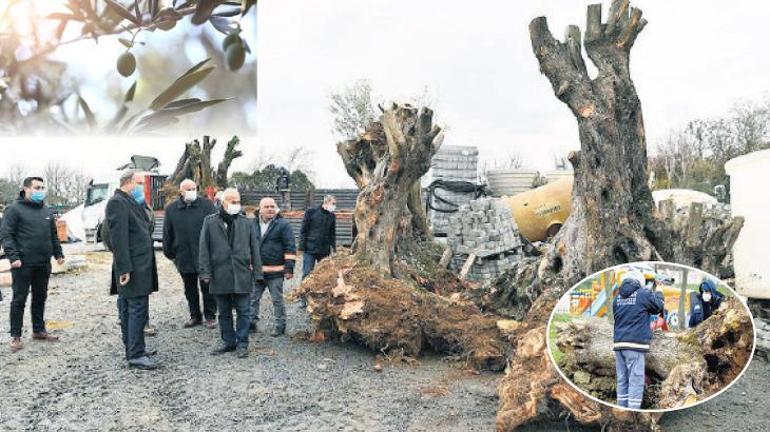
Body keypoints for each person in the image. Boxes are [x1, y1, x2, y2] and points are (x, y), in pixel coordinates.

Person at [0, 177, 64, 352]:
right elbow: (6, 235)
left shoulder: (45, 210)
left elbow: (53, 234)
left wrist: (58, 253)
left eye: (42, 187)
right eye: (37, 187)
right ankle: (15, 336)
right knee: (19, 299)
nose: (40, 190)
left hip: (43, 263)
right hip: (22, 264)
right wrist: (13, 257)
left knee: (40, 297)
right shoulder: (13, 210)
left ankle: (38, 330)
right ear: (25, 189)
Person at [105, 170, 160, 370]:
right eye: (139, 183)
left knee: (134, 308)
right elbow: (117, 238)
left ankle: (135, 348)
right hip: (132, 266)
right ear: (129, 183)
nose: (142, 186)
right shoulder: (117, 202)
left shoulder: (129, 202)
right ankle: (135, 354)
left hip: (140, 265)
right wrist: (124, 269)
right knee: (135, 308)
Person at [199, 188, 262, 358]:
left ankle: (242, 343)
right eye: (233, 201)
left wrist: (257, 272)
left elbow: (255, 249)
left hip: (242, 274)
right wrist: (205, 272)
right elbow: (204, 248)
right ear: (223, 202)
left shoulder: (246, 223)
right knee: (224, 312)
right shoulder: (210, 222)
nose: (236, 205)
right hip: (220, 274)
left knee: (244, 310)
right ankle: (228, 341)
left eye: (238, 201)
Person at [163, 179, 217, 329]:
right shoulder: (172, 209)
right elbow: (168, 233)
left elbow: (216, 228)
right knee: (190, 288)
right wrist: (170, 254)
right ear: (180, 191)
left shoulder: (207, 205)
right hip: (184, 256)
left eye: (193, 188)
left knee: (208, 287)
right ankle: (195, 316)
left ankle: (210, 316)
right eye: (187, 189)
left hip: (205, 255)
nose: (191, 191)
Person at [612, 270, 664, 409]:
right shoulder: (642, 294)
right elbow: (658, 307)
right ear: (639, 282)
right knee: (636, 379)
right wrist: (659, 290)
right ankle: (634, 413)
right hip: (634, 345)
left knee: (622, 379)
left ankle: (621, 408)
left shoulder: (616, 298)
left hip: (618, 344)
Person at [250, 197, 296, 336]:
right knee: (252, 299)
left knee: (277, 300)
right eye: (266, 207)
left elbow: (290, 246)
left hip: (276, 272)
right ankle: (251, 324)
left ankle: (280, 326)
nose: (270, 209)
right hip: (256, 271)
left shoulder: (283, 225)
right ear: (260, 209)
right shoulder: (252, 224)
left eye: (272, 206)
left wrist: (289, 268)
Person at [298, 194, 337, 307]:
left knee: (323, 275)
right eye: (333, 204)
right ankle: (303, 298)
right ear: (326, 202)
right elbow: (303, 230)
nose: (334, 206)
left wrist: (334, 248)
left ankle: (319, 298)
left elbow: (332, 233)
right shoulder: (311, 212)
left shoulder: (332, 216)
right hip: (310, 248)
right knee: (307, 273)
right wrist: (301, 247)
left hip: (324, 250)